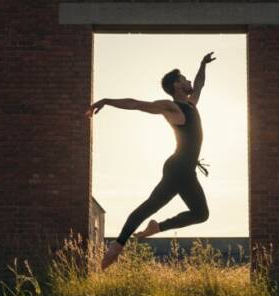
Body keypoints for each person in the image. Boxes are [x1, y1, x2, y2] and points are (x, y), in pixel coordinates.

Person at [85, 51, 217, 270]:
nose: (189, 81)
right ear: (176, 86)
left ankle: (157, 227)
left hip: (186, 171)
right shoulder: (171, 107)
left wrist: (203, 64)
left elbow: (200, 84)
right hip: (177, 169)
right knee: (150, 206)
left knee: (201, 214)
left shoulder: (192, 105)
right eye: (184, 78)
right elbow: (137, 104)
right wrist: (107, 101)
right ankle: (117, 245)